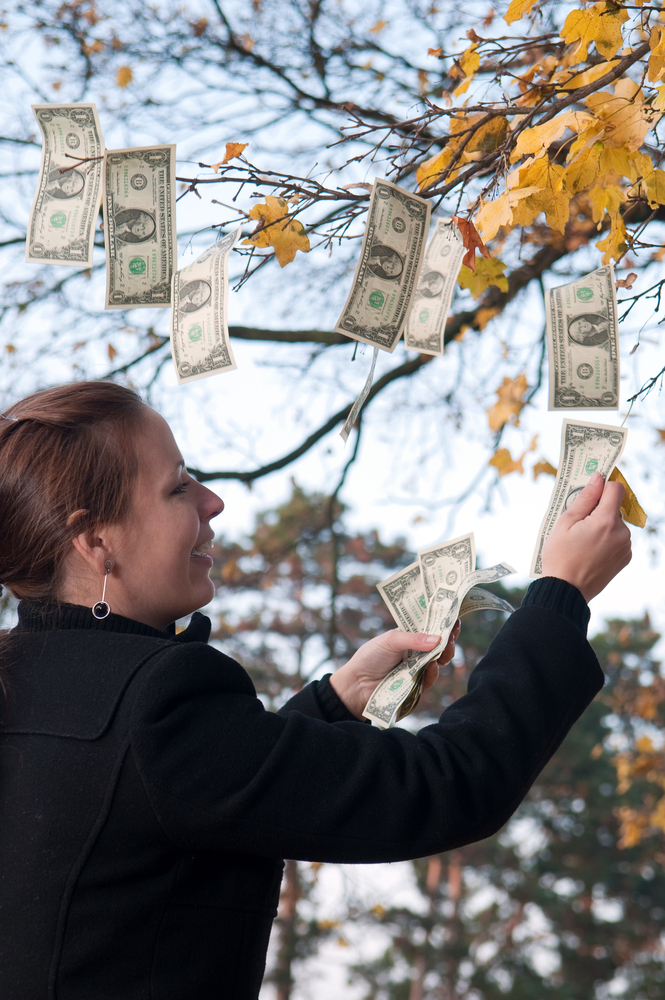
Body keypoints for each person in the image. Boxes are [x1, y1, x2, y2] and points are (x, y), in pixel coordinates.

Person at [0, 382, 631, 1000]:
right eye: (178, 486)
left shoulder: (27, 680)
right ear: (95, 540)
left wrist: (334, 702)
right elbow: (449, 787)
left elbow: (180, 789)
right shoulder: (157, 699)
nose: (212, 501)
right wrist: (560, 595)